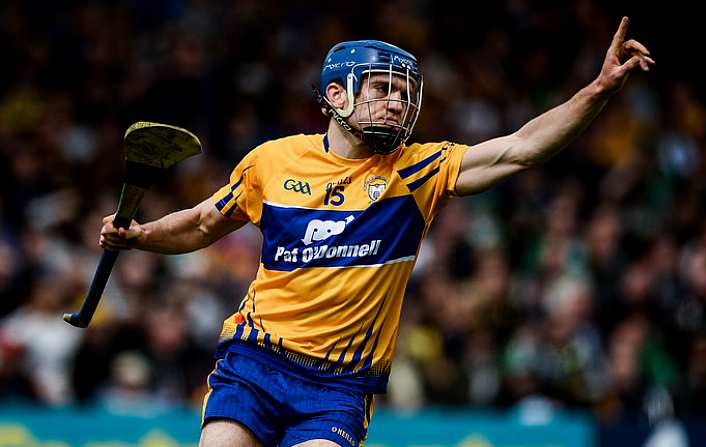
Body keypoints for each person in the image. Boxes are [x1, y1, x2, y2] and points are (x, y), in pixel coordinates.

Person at [100, 17, 653, 447]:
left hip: (340, 387)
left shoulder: (417, 171)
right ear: (337, 96)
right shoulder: (272, 161)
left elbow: (522, 148)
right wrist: (140, 235)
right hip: (255, 361)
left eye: (402, 92)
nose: (397, 102)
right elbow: (200, 224)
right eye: (382, 88)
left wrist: (598, 90)